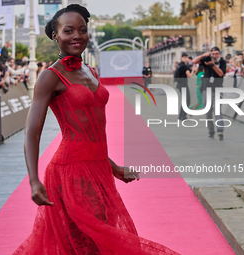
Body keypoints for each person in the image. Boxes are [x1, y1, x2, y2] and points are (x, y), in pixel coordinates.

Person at [12, 4, 180, 255]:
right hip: (71, 171)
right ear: (55, 36)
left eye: (82, 30)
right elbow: (32, 131)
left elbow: (92, 134)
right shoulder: (50, 77)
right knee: (88, 242)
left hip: (99, 168)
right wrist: (34, 180)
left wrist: (113, 167)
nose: (77, 36)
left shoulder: (90, 71)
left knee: (98, 240)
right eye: (68, 31)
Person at [192, 46, 226, 140]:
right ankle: (211, 131)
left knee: (217, 109)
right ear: (210, 54)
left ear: (219, 54)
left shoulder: (222, 62)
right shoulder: (206, 59)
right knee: (208, 111)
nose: (215, 56)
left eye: (216, 54)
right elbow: (194, 61)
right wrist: (204, 55)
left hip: (217, 89)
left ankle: (220, 130)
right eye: (213, 54)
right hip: (206, 89)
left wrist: (213, 65)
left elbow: (221, 74)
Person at [176, 53, 196, 121]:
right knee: (187, 101)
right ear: (182, 58)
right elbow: (189, 75)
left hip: (180, 84)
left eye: (186, 57)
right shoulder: (184, 66)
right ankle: (183, 116)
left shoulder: (180, 65)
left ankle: (181, 116)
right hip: (183, 85)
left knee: (185, 101)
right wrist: (193, 69)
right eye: (185, 57)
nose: (186, 59)